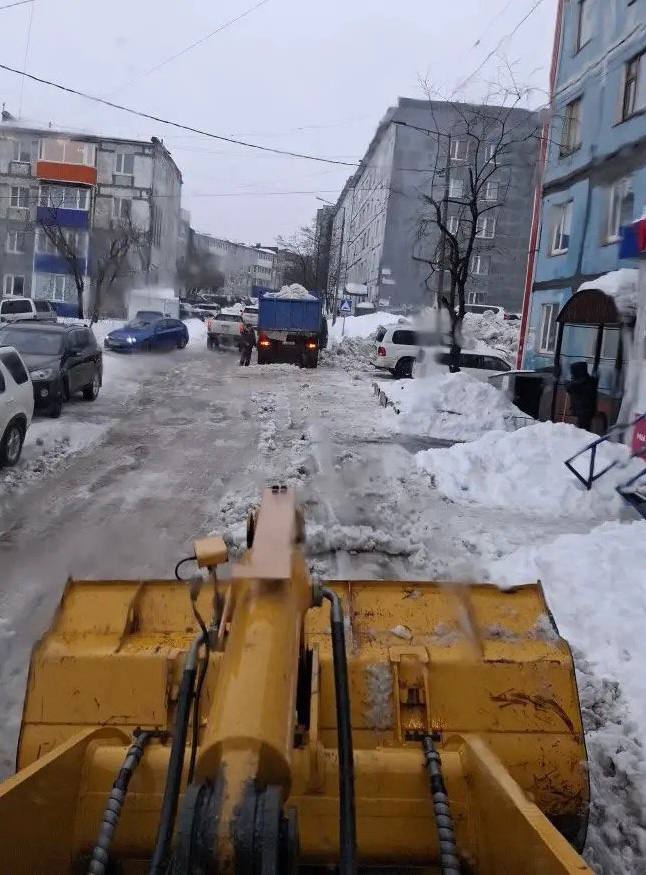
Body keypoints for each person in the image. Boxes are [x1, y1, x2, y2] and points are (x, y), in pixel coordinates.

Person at [566, 361, 598, 431]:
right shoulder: (589, 380)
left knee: (582, 432)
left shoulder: (582, 382)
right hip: (584, 412)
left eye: (573, 372)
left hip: (584, 412)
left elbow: (570, 388)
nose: (572, 374)